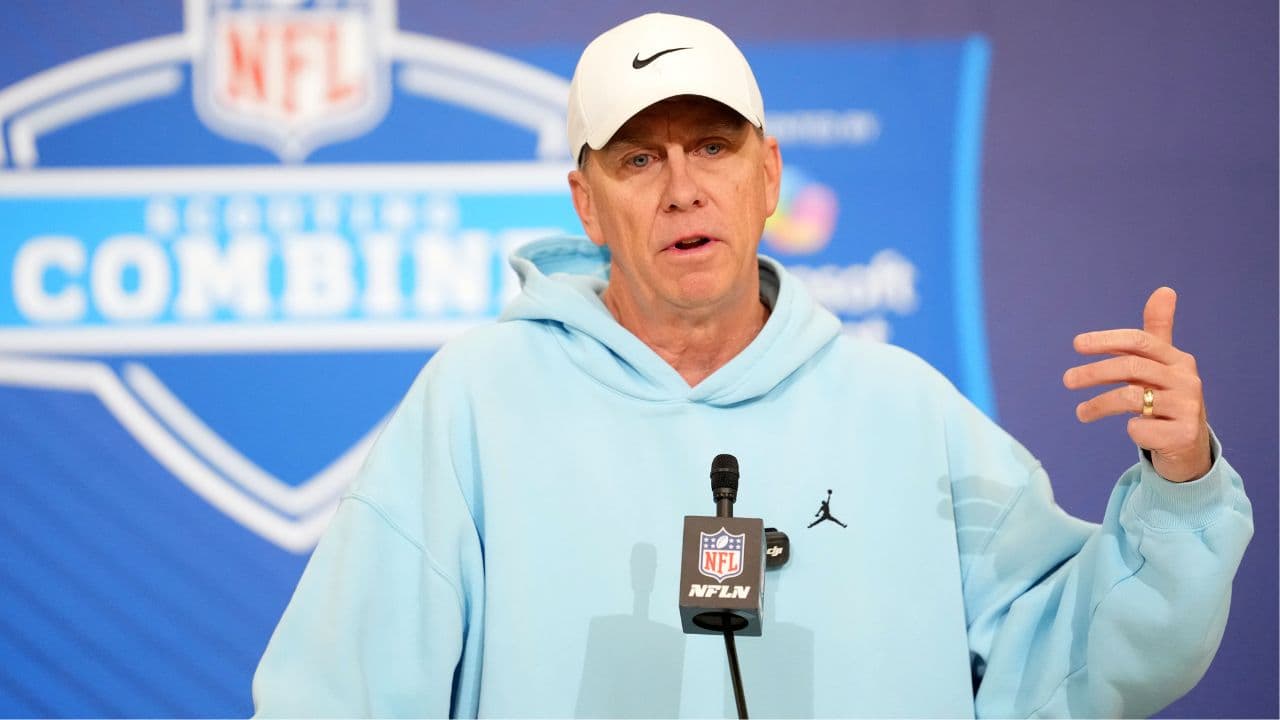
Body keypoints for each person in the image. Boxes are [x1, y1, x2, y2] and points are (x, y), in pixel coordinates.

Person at [252, 13, 1252, 718]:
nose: (682, 189)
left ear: (767, 173)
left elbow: (1075, 655)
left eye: (712, 147)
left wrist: (1178, 485)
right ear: (585, 203)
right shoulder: (478, 401)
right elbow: (338, 693)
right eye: (637, 159)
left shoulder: (901, 409)